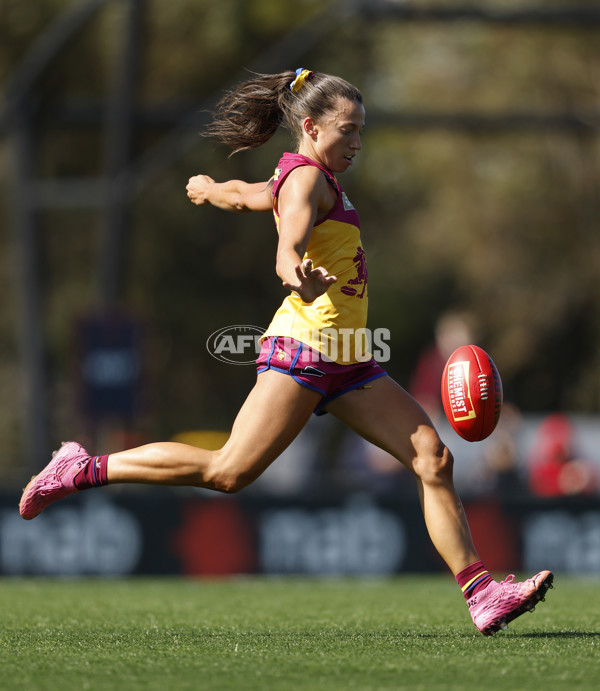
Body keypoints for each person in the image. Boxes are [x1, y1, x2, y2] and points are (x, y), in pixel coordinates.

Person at [19, 68, 552, 635]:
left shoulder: (298, 176)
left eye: (361, 132)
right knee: (228, 471)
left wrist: (207, 190)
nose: (357, 143)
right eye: (347, 131)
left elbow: (248, 194)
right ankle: (84, 467)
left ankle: (481, 595)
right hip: (304, 349)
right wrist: (299, 277)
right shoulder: (306, 184)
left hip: (348, 355)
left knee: (433, 460)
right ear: (310, 125)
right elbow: (286, 251)